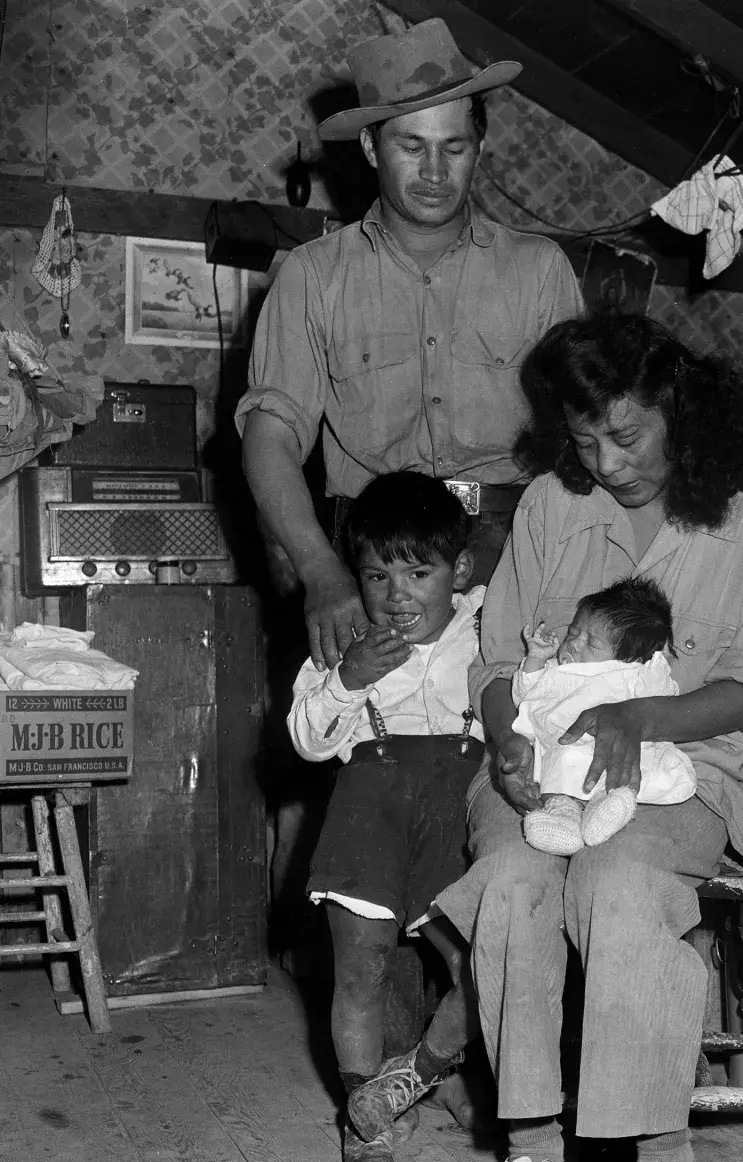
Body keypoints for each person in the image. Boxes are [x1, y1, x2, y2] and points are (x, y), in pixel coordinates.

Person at [344, 311, 743, 1162]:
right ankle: (530, 1149)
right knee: (512, 881)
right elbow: (498, 655)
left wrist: (638, 722)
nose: (606, 458)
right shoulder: (552, 503)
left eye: (626, 434)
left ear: (680, 411)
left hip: (684, 773)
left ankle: (664, 1157)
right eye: (584, 437)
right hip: (537, 768)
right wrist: (506, 740)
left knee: (620, 885)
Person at [236, 17, 584, 673]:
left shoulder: (541, 272)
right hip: (371, 558)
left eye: (453, 148)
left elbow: (580, 441)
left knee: (511, 754)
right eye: (410, 146)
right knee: (371, 747)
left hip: (510, 549)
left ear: (480, 146)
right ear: (370, 147)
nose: (432, 171)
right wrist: (319, 569)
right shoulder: (311, 276)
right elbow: (271, 436)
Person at [286, 472, 485, 1162]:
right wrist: (347, 677)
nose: (396, 595)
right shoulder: (345, 638)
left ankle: (422, 1073)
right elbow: (307, 738)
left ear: (459, 570)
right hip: (369, 811)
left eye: (418, 573)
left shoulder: (488, 626)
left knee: (478, 965)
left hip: (455, 813)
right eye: (376, 575)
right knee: (361, 965)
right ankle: (361, 1117)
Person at [515, 576, 697, 856]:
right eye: (573, 633)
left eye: (592, 643)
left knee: (619, 770)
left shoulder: (630, 673)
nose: (574, 644)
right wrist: (536, 659)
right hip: (563, 746)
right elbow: (528, 696)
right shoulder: (556, 671)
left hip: (609, 747)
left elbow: (662, 691)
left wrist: (658, 658)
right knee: (559, 766)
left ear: (629, 657)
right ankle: (563, 814)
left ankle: (608, 804)